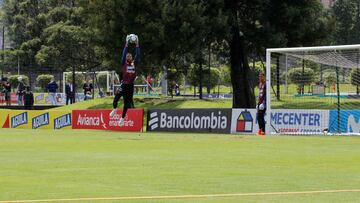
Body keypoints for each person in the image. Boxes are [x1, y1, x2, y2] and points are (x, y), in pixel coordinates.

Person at [110, 34, 140, 126]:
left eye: (130, 56)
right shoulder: (124, 63)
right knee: (115, 100)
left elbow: (138, 55)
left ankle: (122, 119)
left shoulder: (134, 63)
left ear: (132, 58)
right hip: (124, 84)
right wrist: (126, 43)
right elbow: (124, 53)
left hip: (130, 86)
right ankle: (115, 109)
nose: (128, 57)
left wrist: (137, 44)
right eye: (127, 56)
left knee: (127, 104)